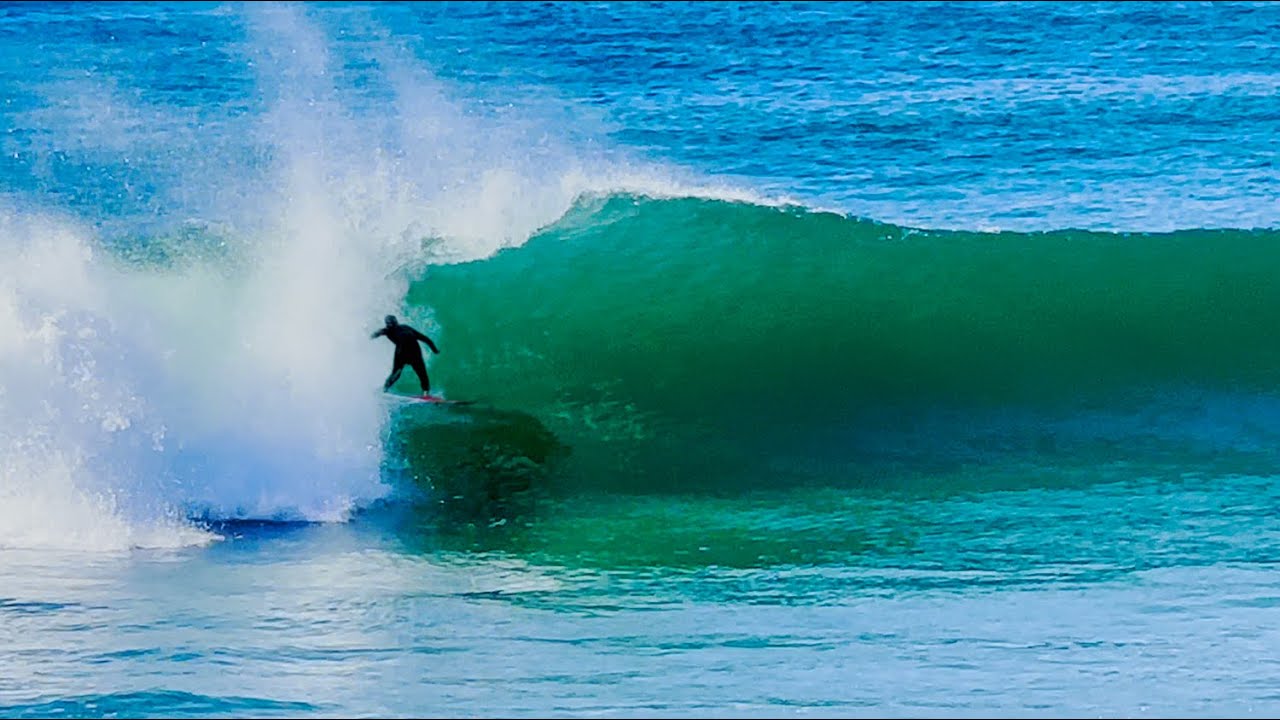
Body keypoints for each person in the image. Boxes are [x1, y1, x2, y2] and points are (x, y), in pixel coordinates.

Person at [371, 314, 440, 394]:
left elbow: (424, 338)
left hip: (412, 354)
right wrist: (434, 350)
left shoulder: (402, 328)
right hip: (404, 354)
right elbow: (425, 339)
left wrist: (434, 349)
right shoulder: (390, 330)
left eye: (392, 323)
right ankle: (385, 389)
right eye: (389, 324)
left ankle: (426, 393)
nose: (391, 325)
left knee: (421, 374)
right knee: (399, 374)